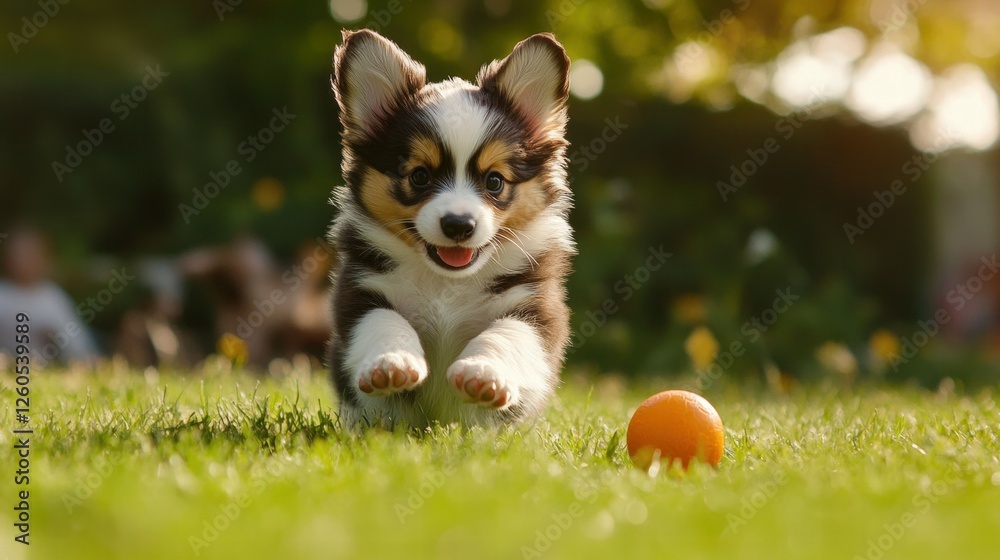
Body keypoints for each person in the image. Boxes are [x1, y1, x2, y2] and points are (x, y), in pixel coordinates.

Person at [0, 228, 99, 365]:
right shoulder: (3, 295)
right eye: (19, 254)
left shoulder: (54, 298)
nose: (24, 261)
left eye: (30, 254)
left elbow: (80, 347)